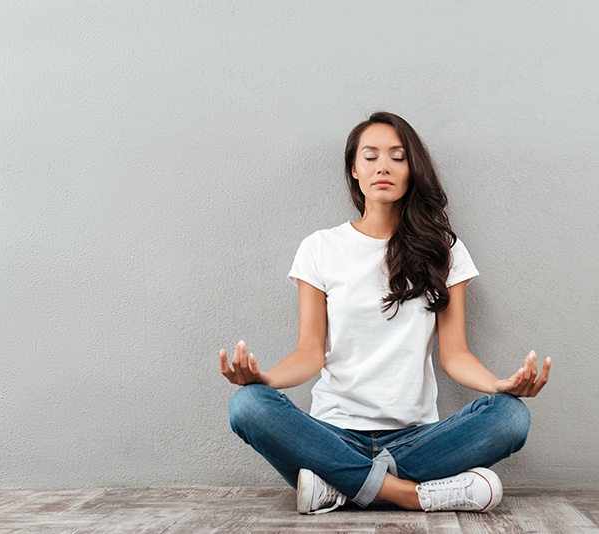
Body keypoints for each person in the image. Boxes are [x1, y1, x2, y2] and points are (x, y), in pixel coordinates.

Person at [219, 111, 551, 514]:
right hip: (333, 434)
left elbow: (455, 354)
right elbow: (309, 352)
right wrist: (266, 380)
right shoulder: (320, 248)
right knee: (248, 405)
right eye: (371, 156)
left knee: (511, 417)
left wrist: (500, 385)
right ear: (354, 170)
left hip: (417, 439)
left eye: (397, 156)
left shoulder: (445, 251)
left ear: (413, 170)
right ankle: (408, 495)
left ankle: (340, 486)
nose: (383, 167)